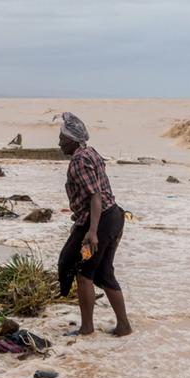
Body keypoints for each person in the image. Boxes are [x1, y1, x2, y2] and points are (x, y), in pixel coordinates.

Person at [56, 112, 132, 337]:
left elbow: (95, 197)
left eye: (62, 138)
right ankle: (123, 327)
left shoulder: (79, 160)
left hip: (101, 220)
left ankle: (87, 329)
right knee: (104, 273)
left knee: (84, 273)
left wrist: (91, 232)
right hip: (114, 216)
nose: (59, 142)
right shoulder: (91, 152)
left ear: (72, 140)